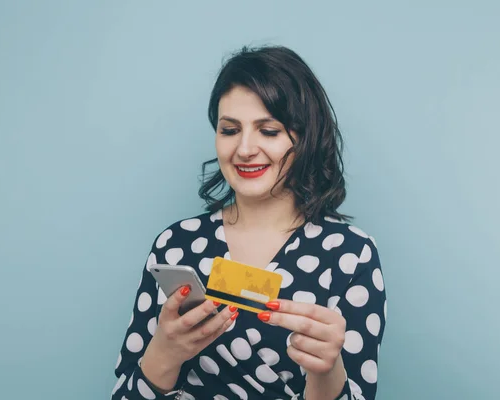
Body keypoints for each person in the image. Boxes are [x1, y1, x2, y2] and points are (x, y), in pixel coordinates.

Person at [112, 45, 387, 400]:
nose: (244, 149)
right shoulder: (175, 245)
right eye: (229, 130)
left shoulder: (351, 255)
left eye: (268, 131)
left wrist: (326, 371)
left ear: (303, 137)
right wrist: (165, 352)